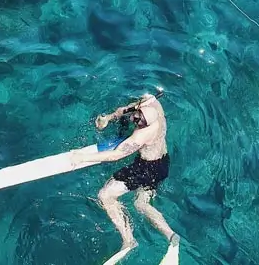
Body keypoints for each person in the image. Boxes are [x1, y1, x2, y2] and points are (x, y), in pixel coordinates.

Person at [71, 93, 180, 265]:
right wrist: (109, 117)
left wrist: (82, 158)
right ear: (143, 106)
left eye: (139, 122)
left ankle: (129, 240)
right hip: (162, 164)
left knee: (105, 195)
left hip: (145, 168)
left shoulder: (141, 135)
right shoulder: (152, 102)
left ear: (145, 125)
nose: (135, 120)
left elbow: (116, 155)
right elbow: (128, 109)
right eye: (137, 115)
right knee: (140, 204)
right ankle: (171, 235)